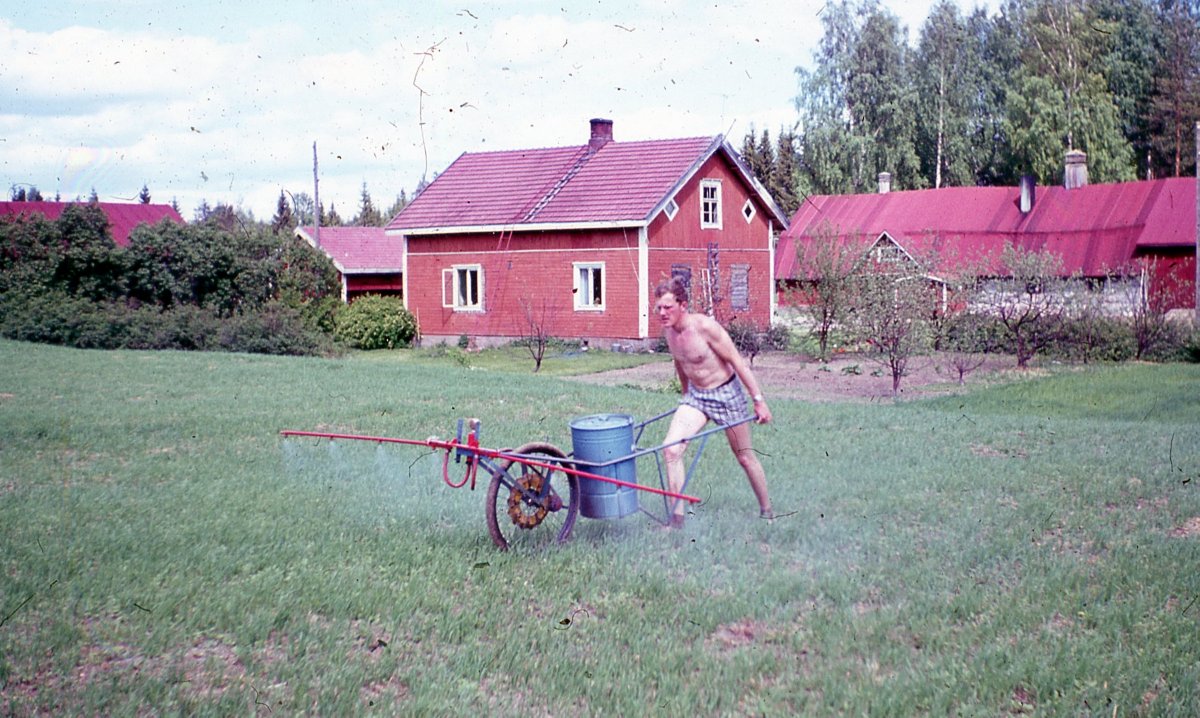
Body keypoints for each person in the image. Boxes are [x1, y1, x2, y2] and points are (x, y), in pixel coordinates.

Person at [653, 277, 773, 528]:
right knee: (671, 449)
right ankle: (677, 522)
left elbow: (738, 362)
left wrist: (758, 400)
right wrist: (686, 394)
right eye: (659, 308)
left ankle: (767, 511)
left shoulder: (706, 328)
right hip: (697, 397)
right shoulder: (669, 332)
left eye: (668, 307)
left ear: (683, 305)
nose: (662, 313)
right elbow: (680, 361)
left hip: (726, 395)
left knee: (744, 457)